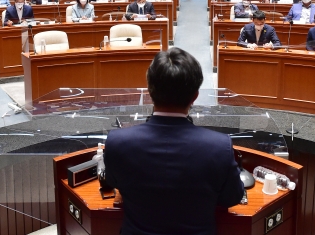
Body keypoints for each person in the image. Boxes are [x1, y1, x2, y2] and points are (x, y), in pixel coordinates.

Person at [104, 47, 244, 235]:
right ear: (195, 96)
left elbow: (113, 182)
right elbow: (232, 197)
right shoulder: (219, 147)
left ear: (149, 91)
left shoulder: (117, 142)